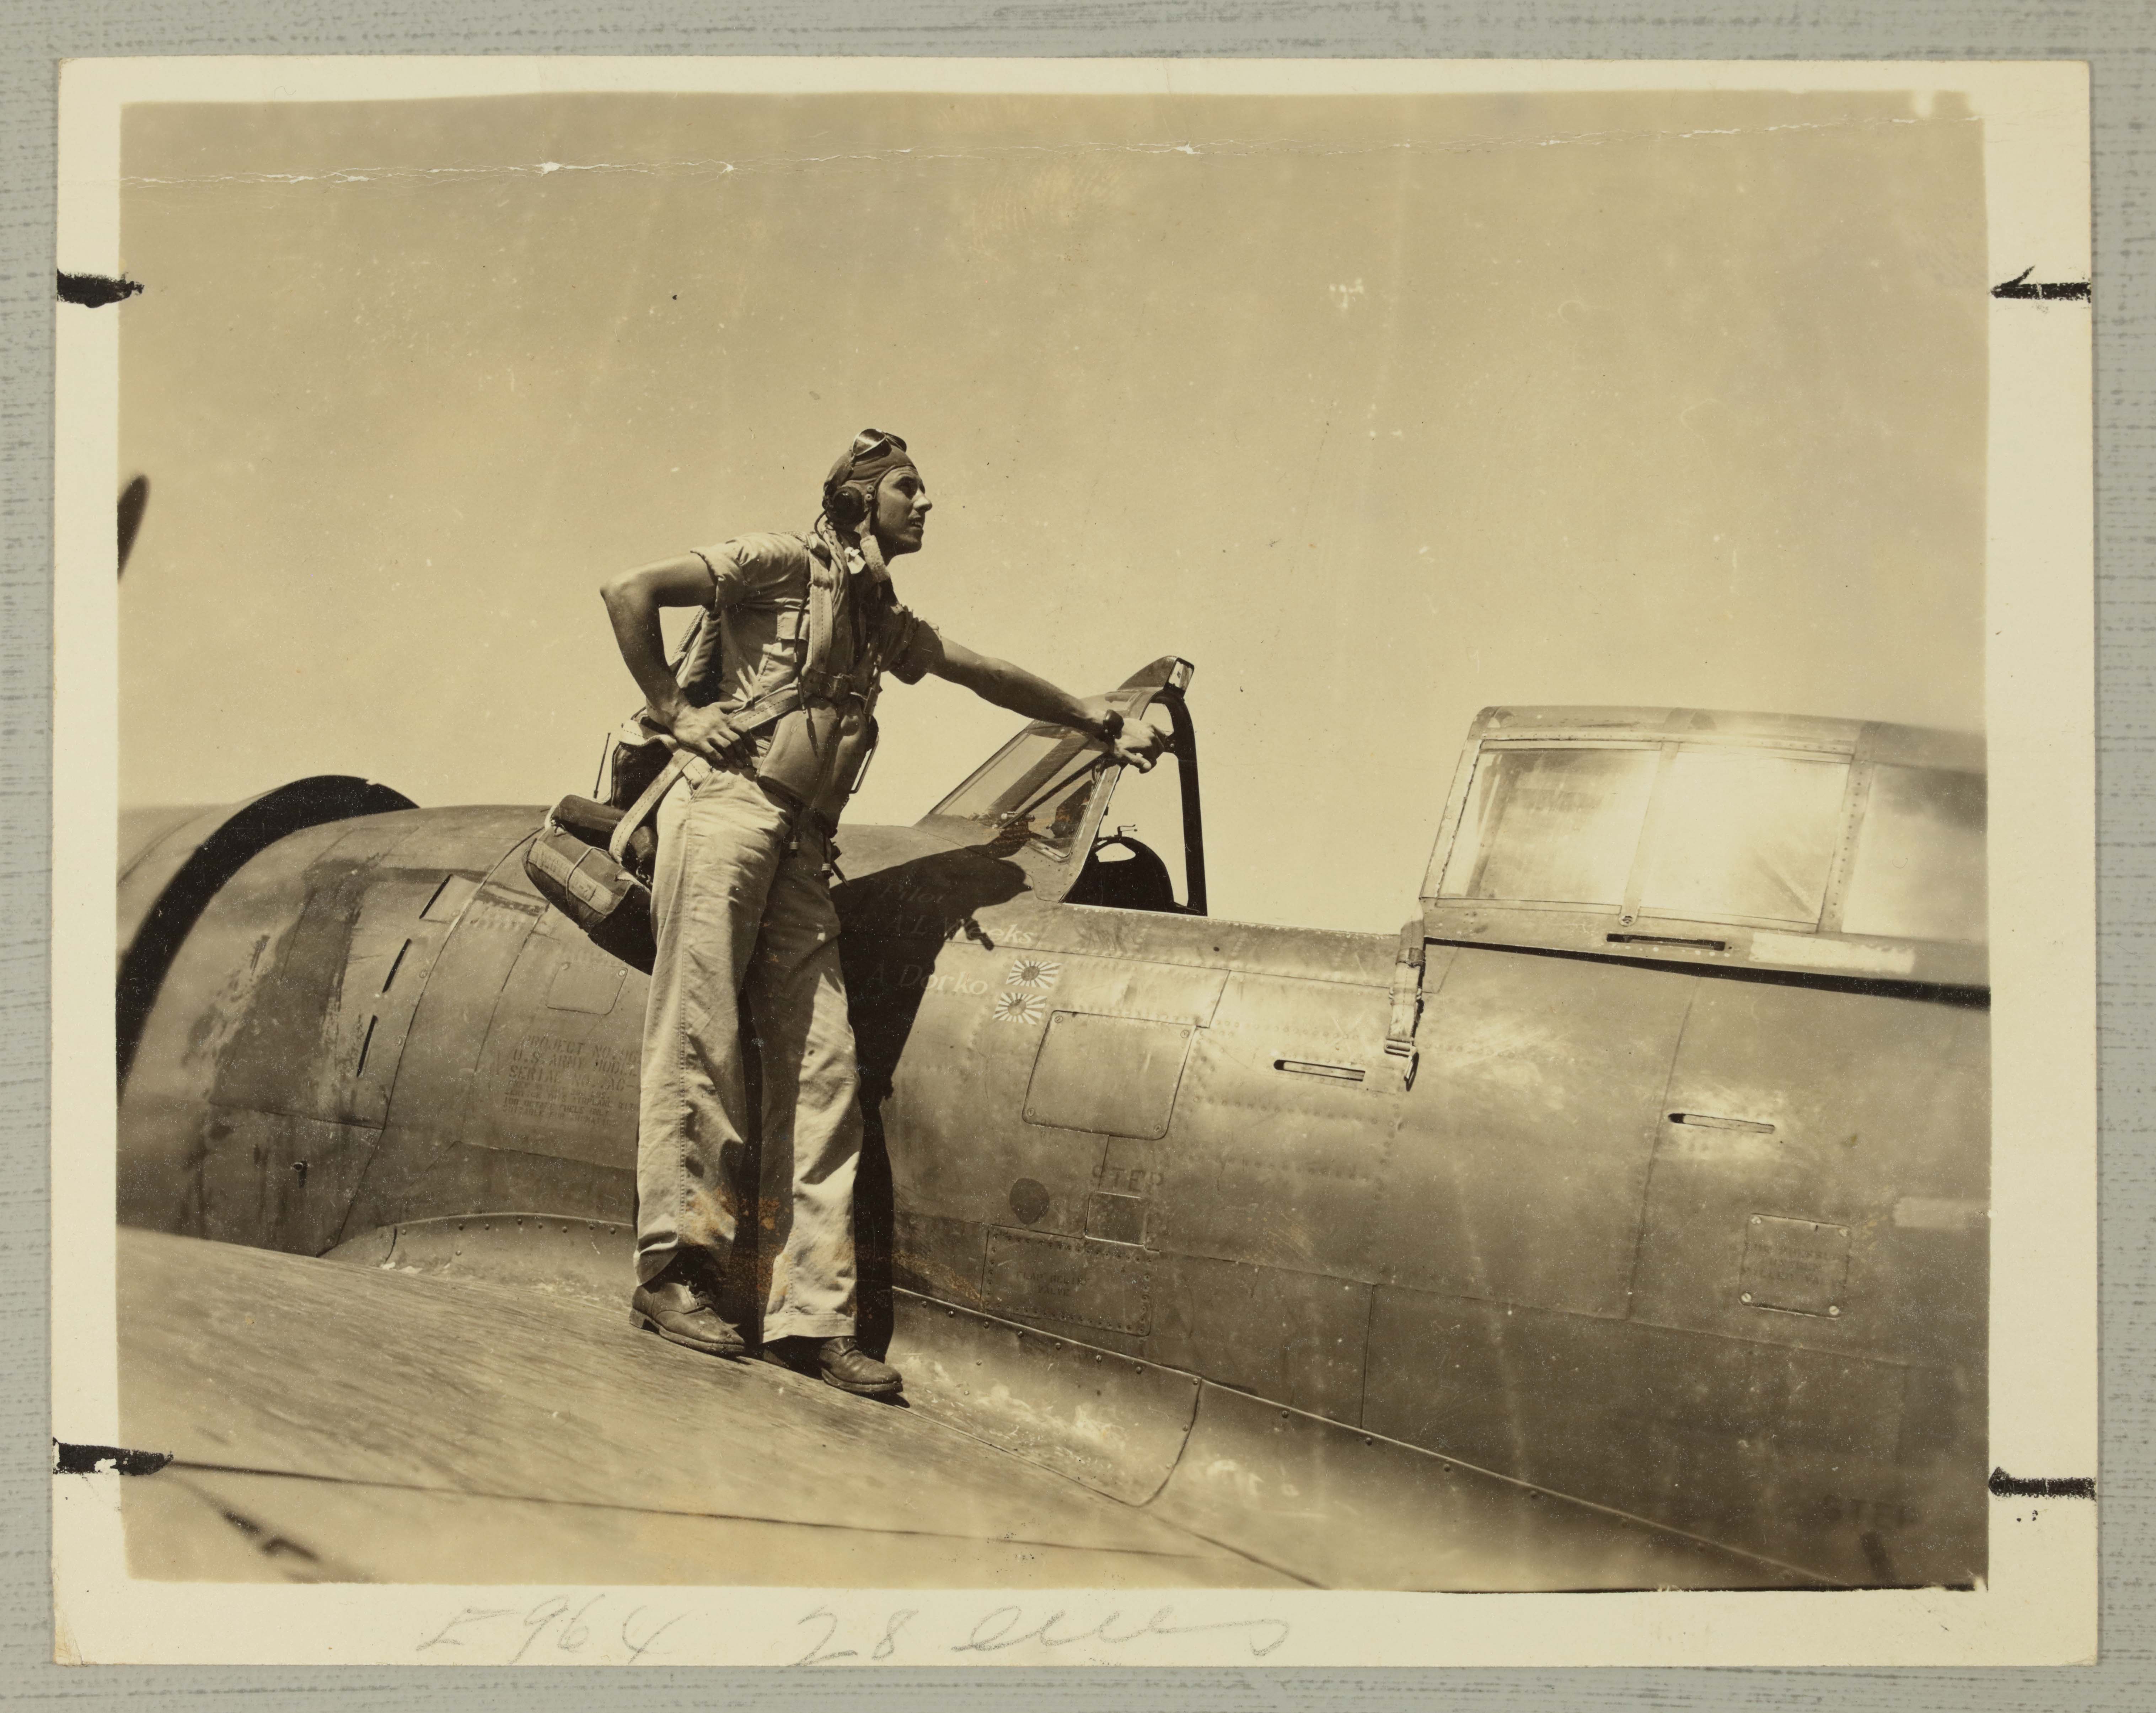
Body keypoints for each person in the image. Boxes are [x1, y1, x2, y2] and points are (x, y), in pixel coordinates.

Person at [599, 430, 1163, 1396]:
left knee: (824, 1073)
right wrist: (674, 710)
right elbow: (628, 591)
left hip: (804, 850)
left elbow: (982, 671)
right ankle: (674, 1272)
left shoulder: (877, 617)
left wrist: (1097, 718)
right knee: (701, 1041)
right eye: (909, 487)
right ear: (859, 500)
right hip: (728, 812)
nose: (926, 502)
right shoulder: (775, 562)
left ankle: (808, 1318)